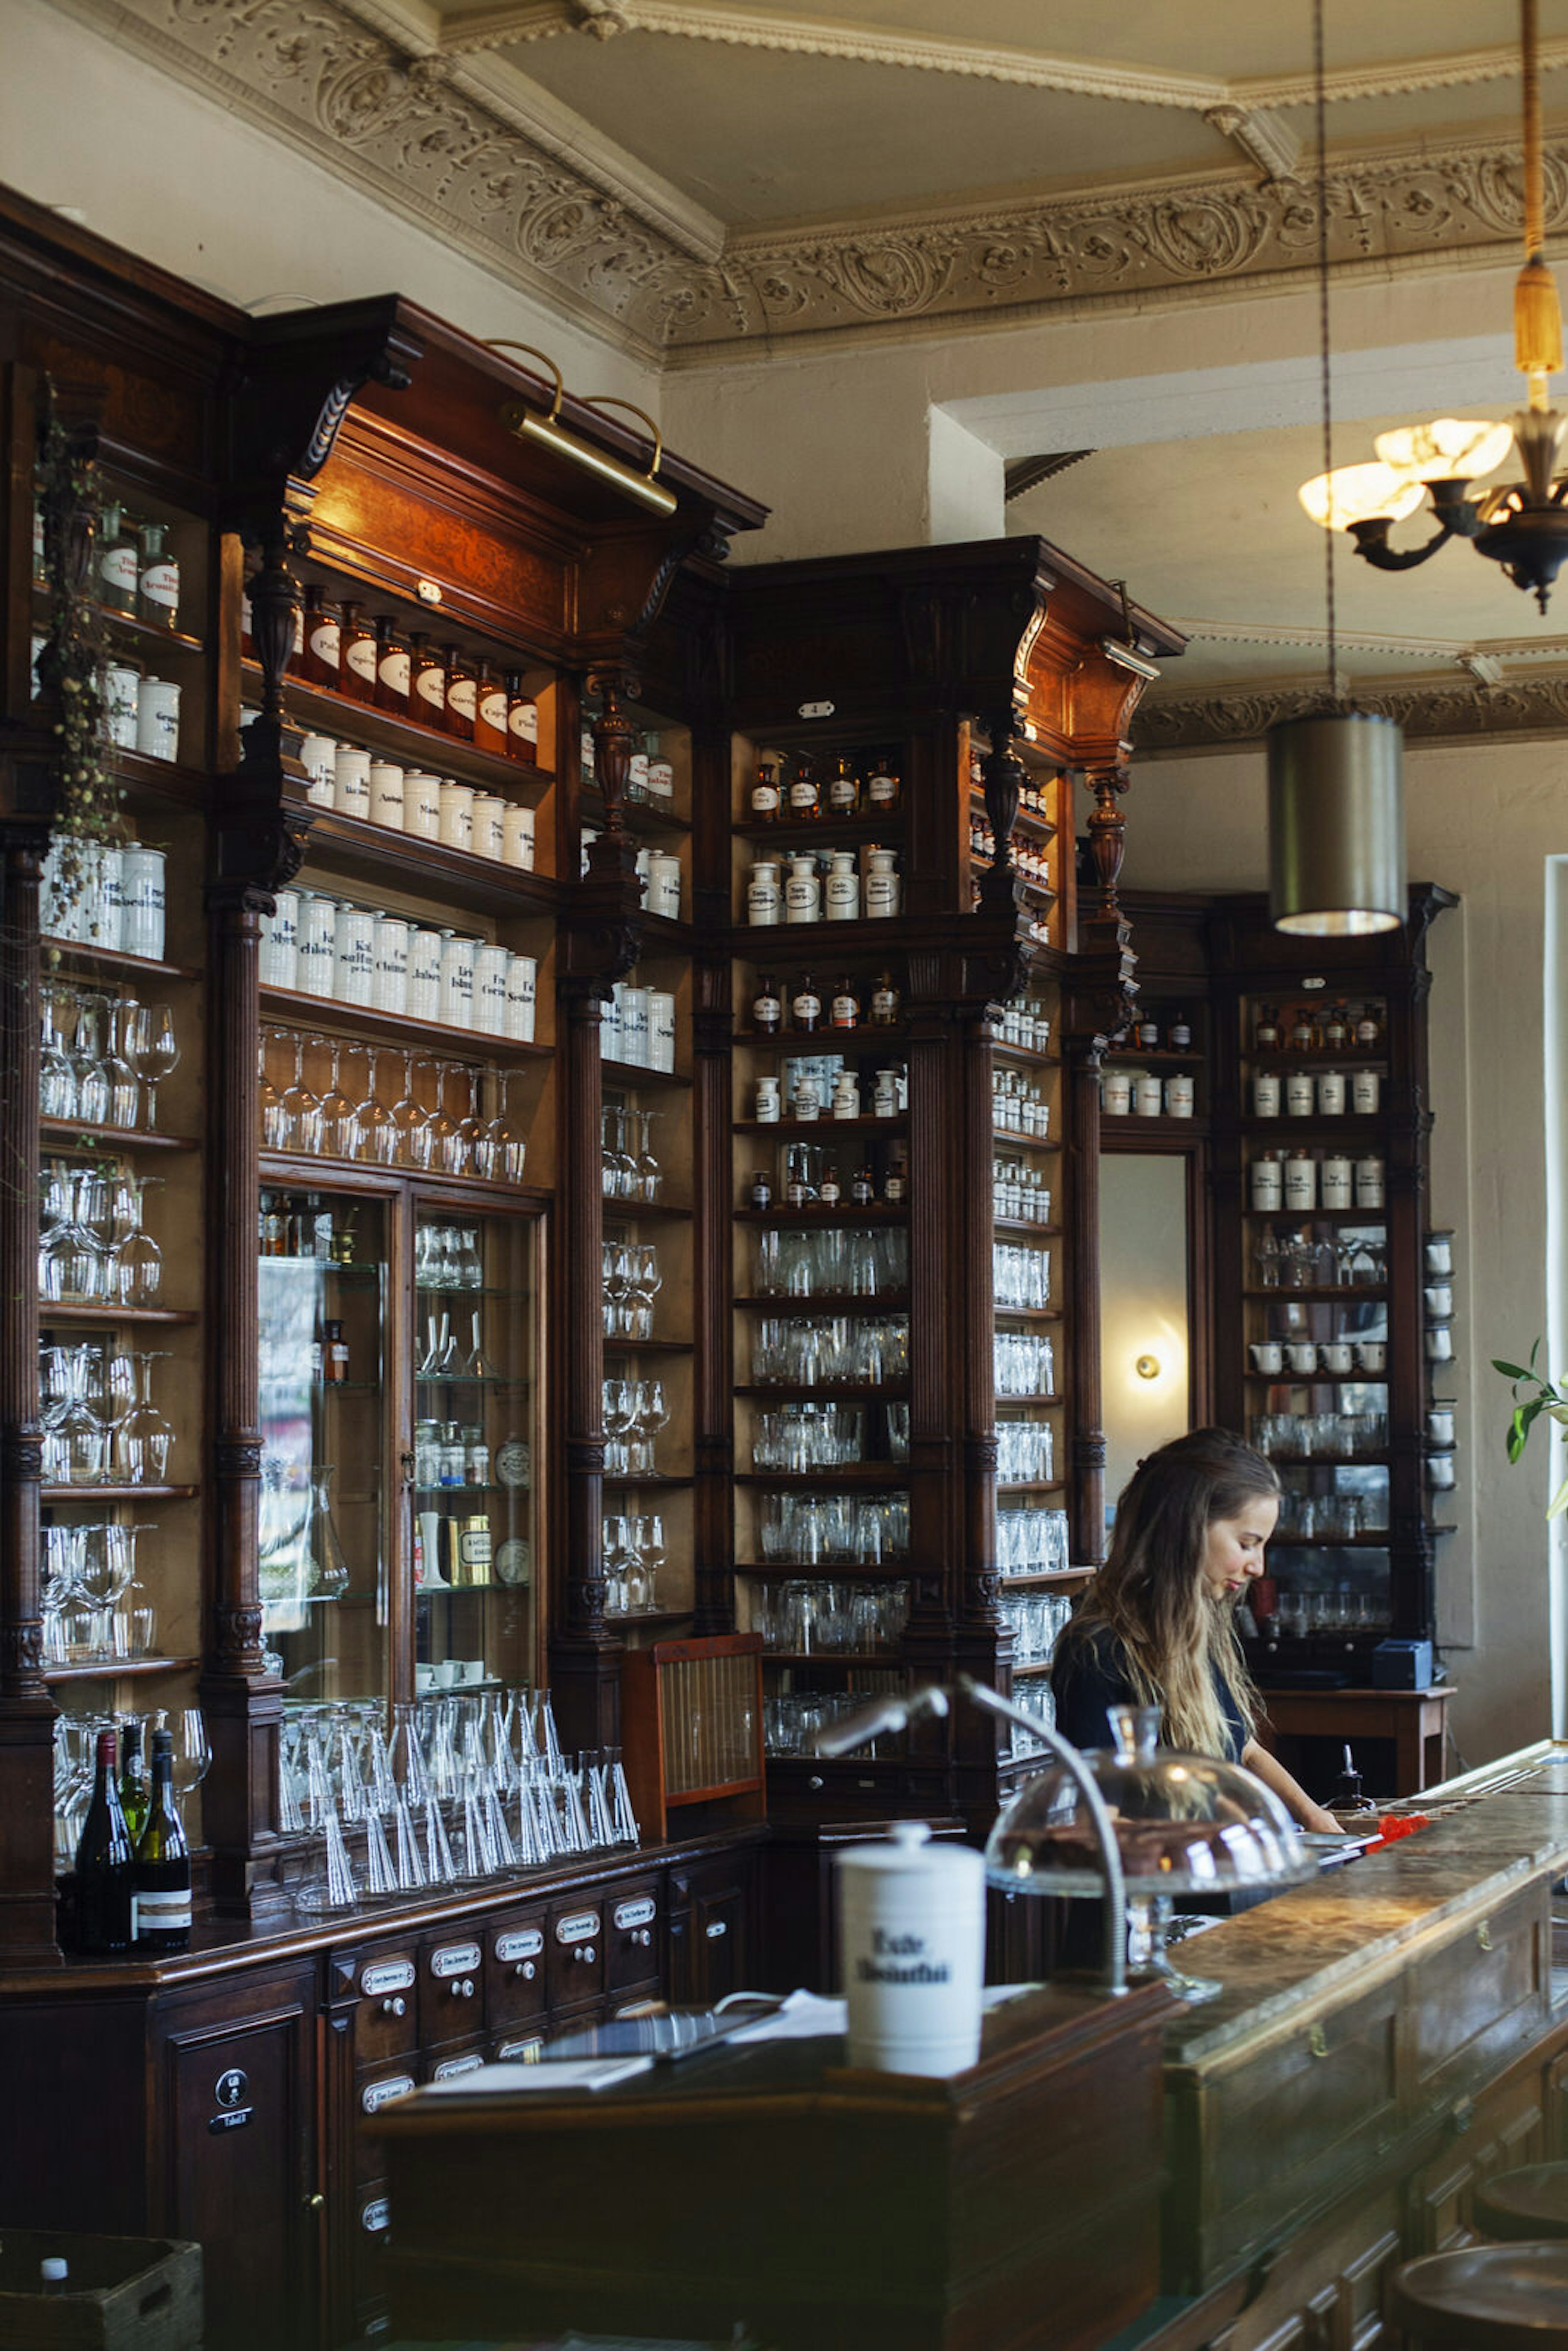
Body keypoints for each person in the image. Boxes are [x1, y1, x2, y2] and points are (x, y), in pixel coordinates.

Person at [1050, 1427, 1340, 1834]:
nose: (1259, 1567)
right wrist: (1212, 1837)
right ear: (1186, 1527)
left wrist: (1314, 1817)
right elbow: (1098, 1821)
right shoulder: (1098, 1648)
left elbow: (1244, 1747)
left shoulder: (1194, 1630)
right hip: (1154, 1890)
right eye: (1247, 1543)